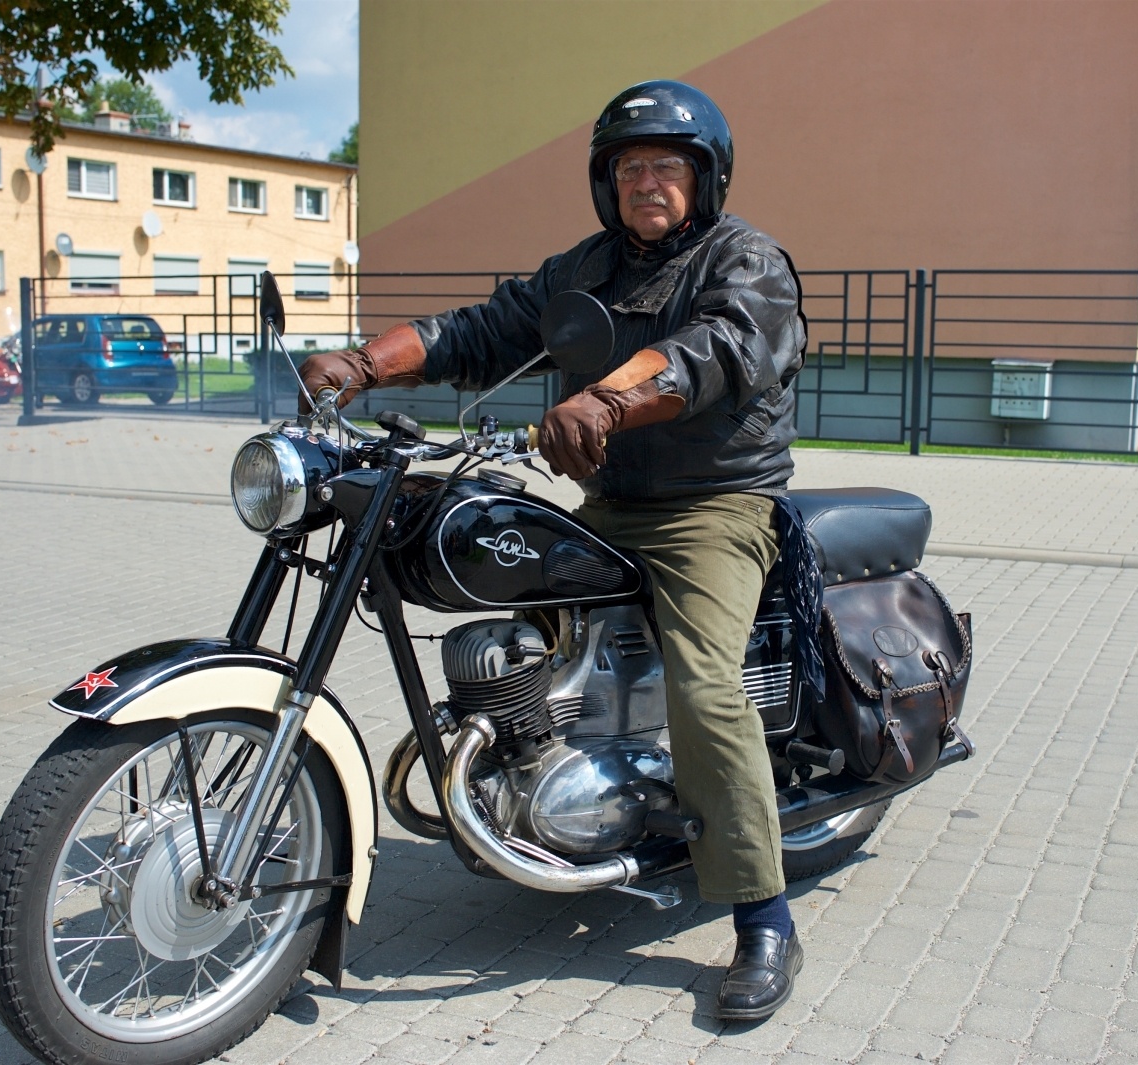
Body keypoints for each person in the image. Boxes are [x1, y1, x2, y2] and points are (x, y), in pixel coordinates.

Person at [302, 81, 807, 1020]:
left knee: (703, 685)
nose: (646, 183)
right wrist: (367, 363)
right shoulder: (586, 268)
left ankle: (762, 913)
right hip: (610, 499)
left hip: (715, 506)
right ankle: (543, 788)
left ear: (706, 176)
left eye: (666, 165)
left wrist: (609, 400)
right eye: (628, 168)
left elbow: (716, 349)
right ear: (605, 183)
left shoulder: (747, 260)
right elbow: (484, 329)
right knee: (521, 629)